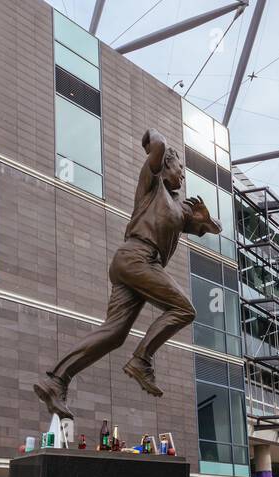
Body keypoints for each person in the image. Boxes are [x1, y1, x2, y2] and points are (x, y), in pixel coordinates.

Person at [32, 128, 222, 419]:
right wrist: (153, 140)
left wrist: (206, 221)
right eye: (180, 169)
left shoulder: (180, 208)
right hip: (136, 257)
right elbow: (156, 142)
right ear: (167, 165)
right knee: (184, 309)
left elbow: (212, 228)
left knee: (115, 333)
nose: (183, 176)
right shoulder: (153, 183)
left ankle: (56, 380)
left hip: (138, 266)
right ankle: (141, 359)